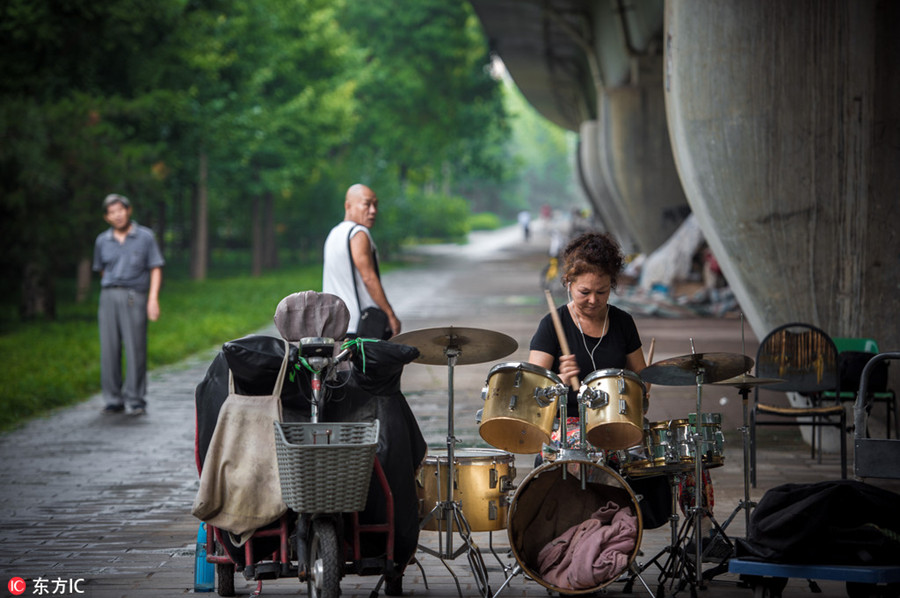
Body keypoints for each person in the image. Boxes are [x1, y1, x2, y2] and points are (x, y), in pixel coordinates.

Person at [528, 231, 647, 458]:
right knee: (584, 449)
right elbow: (533, 394)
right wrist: (559, 382)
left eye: (602, 292)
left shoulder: (623, 322)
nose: (594, 300)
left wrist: (638, 393)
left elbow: (641, 377)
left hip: (614, 421)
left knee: (660, 461)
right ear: (569, 283)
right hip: (565, 424)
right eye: (585, 292)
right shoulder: (553, 324)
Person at [92, 193, 164, 416]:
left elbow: (155, 268)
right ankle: (113, 398)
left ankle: (136, 398)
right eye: (112, 212)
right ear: (107, 217)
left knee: (135, 347)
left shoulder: (145, 236)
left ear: (128, 210)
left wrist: (152, 299)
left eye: (120, 210)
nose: (117, 215)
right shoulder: (102, 240)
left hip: (136, 295)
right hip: (109, 296)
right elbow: (102, 269)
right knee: (109, 347)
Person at [322, 184, 401, 339]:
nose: (373, 210)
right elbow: (369, 278)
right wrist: (390, 314)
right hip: (361, 326)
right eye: (367, 204)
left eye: (375, 205)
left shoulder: (334, 233)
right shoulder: (358, 233)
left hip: (334, 325)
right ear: (348, 206)